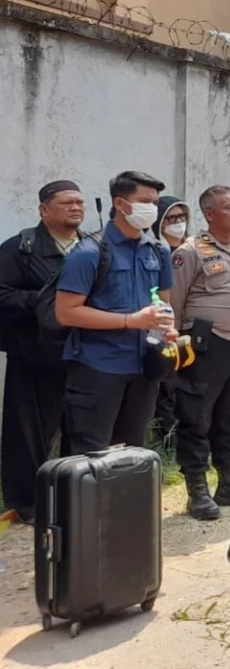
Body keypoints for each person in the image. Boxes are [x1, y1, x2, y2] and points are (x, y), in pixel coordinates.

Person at [55, 171, 178, 456]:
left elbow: (164, 302)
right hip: (98, 368)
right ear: (120, 204)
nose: (152, 208)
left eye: (155, 202)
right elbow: (66, 312)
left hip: (144, 367)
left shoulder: (158, 251)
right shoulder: (89, 252)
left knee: (133, 453)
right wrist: (130, 321)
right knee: (91, 455)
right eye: (144, 201)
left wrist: (168, 328)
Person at [166, 185, 230, 519]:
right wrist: (175, 344)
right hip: (204, 344)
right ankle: (197, 491)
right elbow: (173, 301)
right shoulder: (190, 251)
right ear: (209, 214)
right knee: (197, 416)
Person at [0, 180, 85, 522]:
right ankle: (27, 504)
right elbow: (2, 295)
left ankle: (76, 496)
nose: (75, 207)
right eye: (67, 203)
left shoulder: (92, 247)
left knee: (81, 431)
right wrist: (45, 301)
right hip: (34, 355)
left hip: (83, 354)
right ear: (44, 210)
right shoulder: (21, 248)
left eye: (79, 202)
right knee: (27, 434)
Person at [147, 194, 192, 444]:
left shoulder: (195, 249)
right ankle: (167, 439)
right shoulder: (154, 252)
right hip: (165, 328)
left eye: (181, 217)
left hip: (193, 328)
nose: (178, 223)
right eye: (171, 218)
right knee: (167, 385)